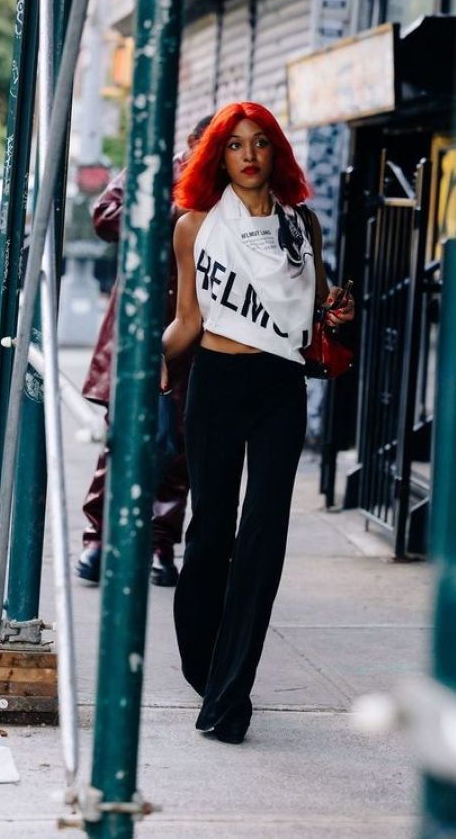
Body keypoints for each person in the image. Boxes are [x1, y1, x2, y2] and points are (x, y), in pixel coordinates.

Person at [162, 101, 354, 744]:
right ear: (219, 156)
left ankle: (230, 694)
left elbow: (316, 312)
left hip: (279, 386)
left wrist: (336, 317)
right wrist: (149, 357)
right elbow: (189, 321)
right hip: (215, 383)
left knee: (264, 536)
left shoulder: (304, 226)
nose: (249, 155)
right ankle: (205, 665)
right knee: (211, 533)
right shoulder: (193, 226)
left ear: (277, 155)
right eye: (236, 145)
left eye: (261, 143)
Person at [77, 115, 213, 587]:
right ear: (194, 142)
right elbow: (104, 217)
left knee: (179, 446)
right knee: (122, 438)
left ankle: (160, 543)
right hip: (141, 327)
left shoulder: (225, 186)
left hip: (196, 332)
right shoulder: (150, 172)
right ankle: (98, 538)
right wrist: (169, 211)